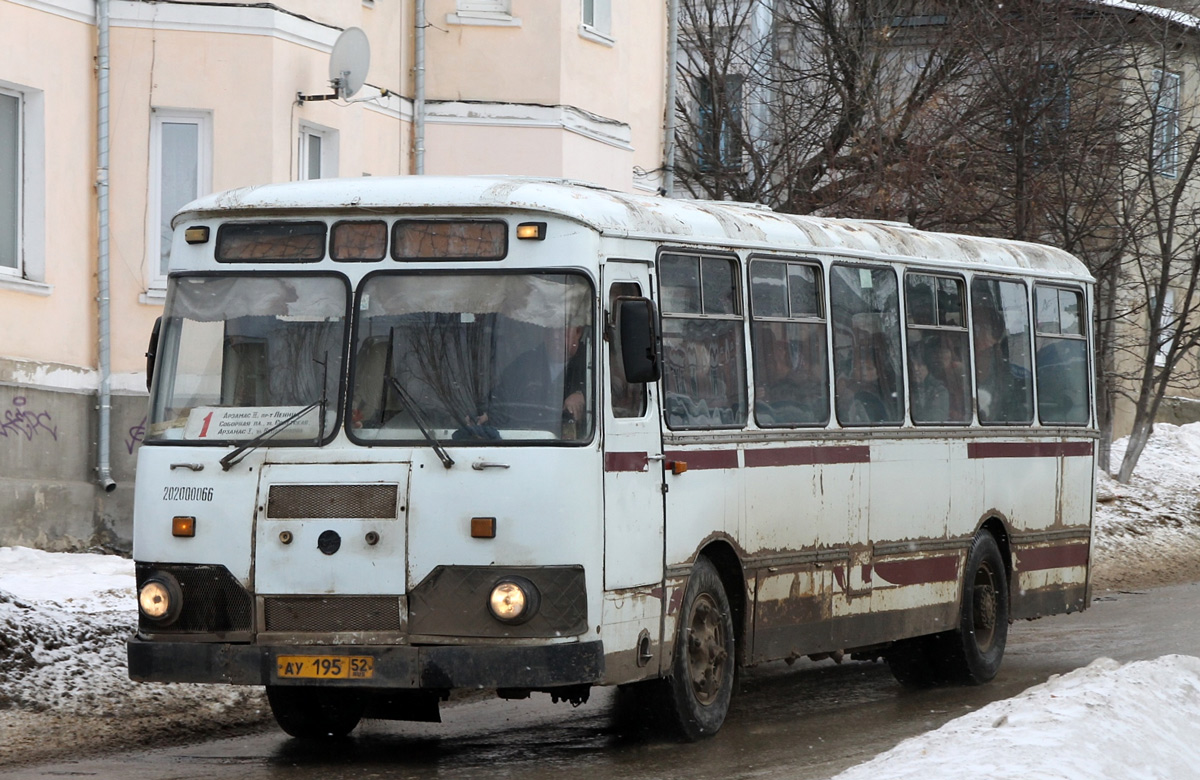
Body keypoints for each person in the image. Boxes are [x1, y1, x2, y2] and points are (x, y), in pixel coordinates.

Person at [483, 323, 588, 438]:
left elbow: (608, 400)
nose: (555, 336)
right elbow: (499, 398)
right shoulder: (523, 365)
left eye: (562, 330)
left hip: (569, 449)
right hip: (523, 442)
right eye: (550, 330)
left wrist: (583, 395)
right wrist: (486, 414)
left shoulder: (592, 364)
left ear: (578, 332)